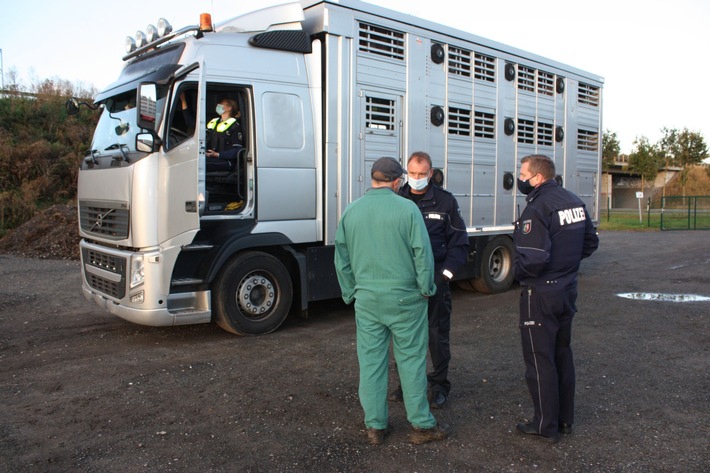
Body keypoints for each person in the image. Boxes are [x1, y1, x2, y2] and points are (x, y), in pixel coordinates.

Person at [334, 157, 447, 446]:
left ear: (373, 179)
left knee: (371, 363)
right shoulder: (408, 209)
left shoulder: (351, 211)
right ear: (397, 182)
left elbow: (342, 259)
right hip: (406, 299)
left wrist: (350, 292)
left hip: (368, 300)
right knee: (410, 360)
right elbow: (423, 253)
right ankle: (421, 426)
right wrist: (426, 288)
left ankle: (375, 427)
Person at [513, 154, 599, 443]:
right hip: (567, 289)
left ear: (537, 177)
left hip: (541, 292)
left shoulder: (538, 208)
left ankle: (544, 424)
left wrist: (517, 272)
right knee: (562, 354)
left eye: (523, 174)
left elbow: (533, 259)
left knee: (540, 359)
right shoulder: (573, 199)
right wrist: (567, 266)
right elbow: (590, 242)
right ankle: (564, 420)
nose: (520, 178)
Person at [389, 151, 469, 409]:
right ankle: (408, 383)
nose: (417, 178)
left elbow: (459, 243)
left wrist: (445, 276)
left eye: (422, 174)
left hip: (435, 280)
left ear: (431, 174)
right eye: (412, 174)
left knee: (437, 336)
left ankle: (439, 386)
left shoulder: (445, 202)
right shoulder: (397, 199)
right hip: (405, 280)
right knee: (406, 336)